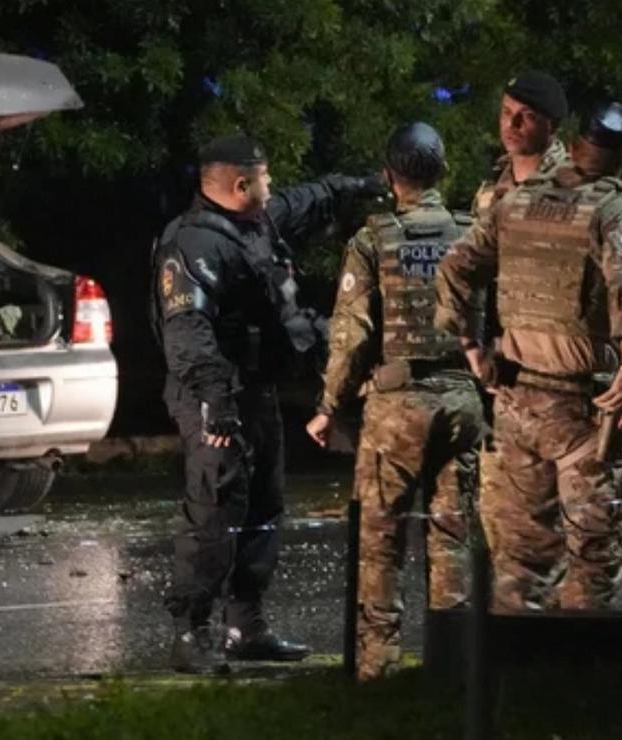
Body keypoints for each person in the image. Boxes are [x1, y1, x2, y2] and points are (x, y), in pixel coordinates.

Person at [153, 134, 384, 673]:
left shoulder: (252, 224)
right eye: (264, 177)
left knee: (263, 505)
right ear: (240, 184)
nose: (271, 185)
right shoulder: (193, 244)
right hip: (212, 394)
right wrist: (215, 402)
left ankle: (246, 625)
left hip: (255, 390)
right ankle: (190, 633)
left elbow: (303, 201)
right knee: (214, 510)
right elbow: (187, 333)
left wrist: (357, 187)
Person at [434, 104, 622, 611]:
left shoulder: (518, 202)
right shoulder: (615, 211)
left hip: (515, 403)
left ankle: (515, 679)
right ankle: (569, 678)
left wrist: (471, 347)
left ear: (576, 145)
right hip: (583, 409)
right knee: (592, 562)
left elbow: (455, 267)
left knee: (518, 566)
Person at [305, 123, 484, 680]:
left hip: (397, 407)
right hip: (463, 400)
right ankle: (451, 668)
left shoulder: (373, 240)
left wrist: (328, 405)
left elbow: (351, 334)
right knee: (453, 537)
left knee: (379, 542)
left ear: (389, 177)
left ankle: (377, 672)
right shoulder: (471, 233)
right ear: (442, 171)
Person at [472, 70, 572, 219]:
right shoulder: (494, 181)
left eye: (528, 116)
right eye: (507, 112)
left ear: (553, 125)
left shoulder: (571, 184)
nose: (512, 124)